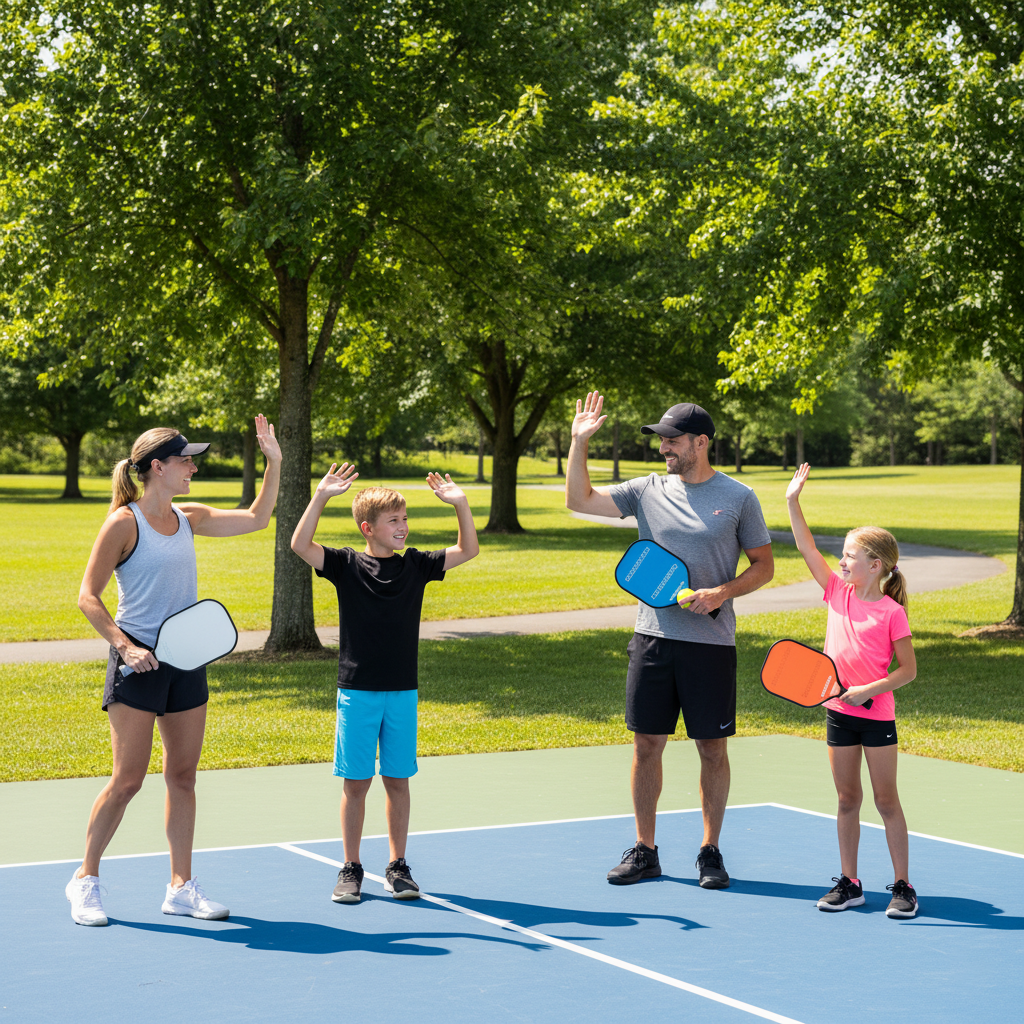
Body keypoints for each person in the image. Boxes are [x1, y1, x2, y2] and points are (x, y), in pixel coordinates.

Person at [67, 415, 282, 927]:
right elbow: (87, 597)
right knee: (127, 781)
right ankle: (85, 880)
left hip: (186, 658)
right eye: (186, 459)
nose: (193, 466)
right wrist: (124, 647)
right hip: (138, 658)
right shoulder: (124, 523)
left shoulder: (189, 516)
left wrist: (274, 461)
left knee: (183, 777)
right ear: (157, 467)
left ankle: (181, 887)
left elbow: (257, 518)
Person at [566, 392, 773, 889]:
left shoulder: (739, 497)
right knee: (646, 745)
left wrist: (722, 591)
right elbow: (579, 500)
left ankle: (710, 851)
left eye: (672, 440)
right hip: (653, 639)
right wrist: (578, 444)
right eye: (662, 440)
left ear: (701, 443)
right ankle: (645, 850)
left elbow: (764, 566)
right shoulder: (647, 489)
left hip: (712, 644)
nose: (664, 448)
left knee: (712, 750)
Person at [290, 464, 479, 903]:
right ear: (367, 528)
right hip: (356, 693)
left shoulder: (416, 565)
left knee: (397, 780)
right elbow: (300, 544)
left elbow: (467, 550)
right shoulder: (344, 563)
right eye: (394, 520)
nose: (403, 526)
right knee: (356, 784)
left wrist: (461, 504)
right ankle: (351, 867)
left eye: (405, 518)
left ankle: (397, 866)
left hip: (402, 693)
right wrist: (320, 496)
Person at [786, 462, 919, 918]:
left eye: (848, 556)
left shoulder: (890, 611)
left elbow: (908, 671)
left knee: (885, 800)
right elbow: (806, 549)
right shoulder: (836, 593)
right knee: (847, 799)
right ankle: (851, 882)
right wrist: (792, 502)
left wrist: (868, 690)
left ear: (875, 565)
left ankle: (903, 885)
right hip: (838, 714)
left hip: (876, 715)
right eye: (841, 556)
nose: (840, 562)